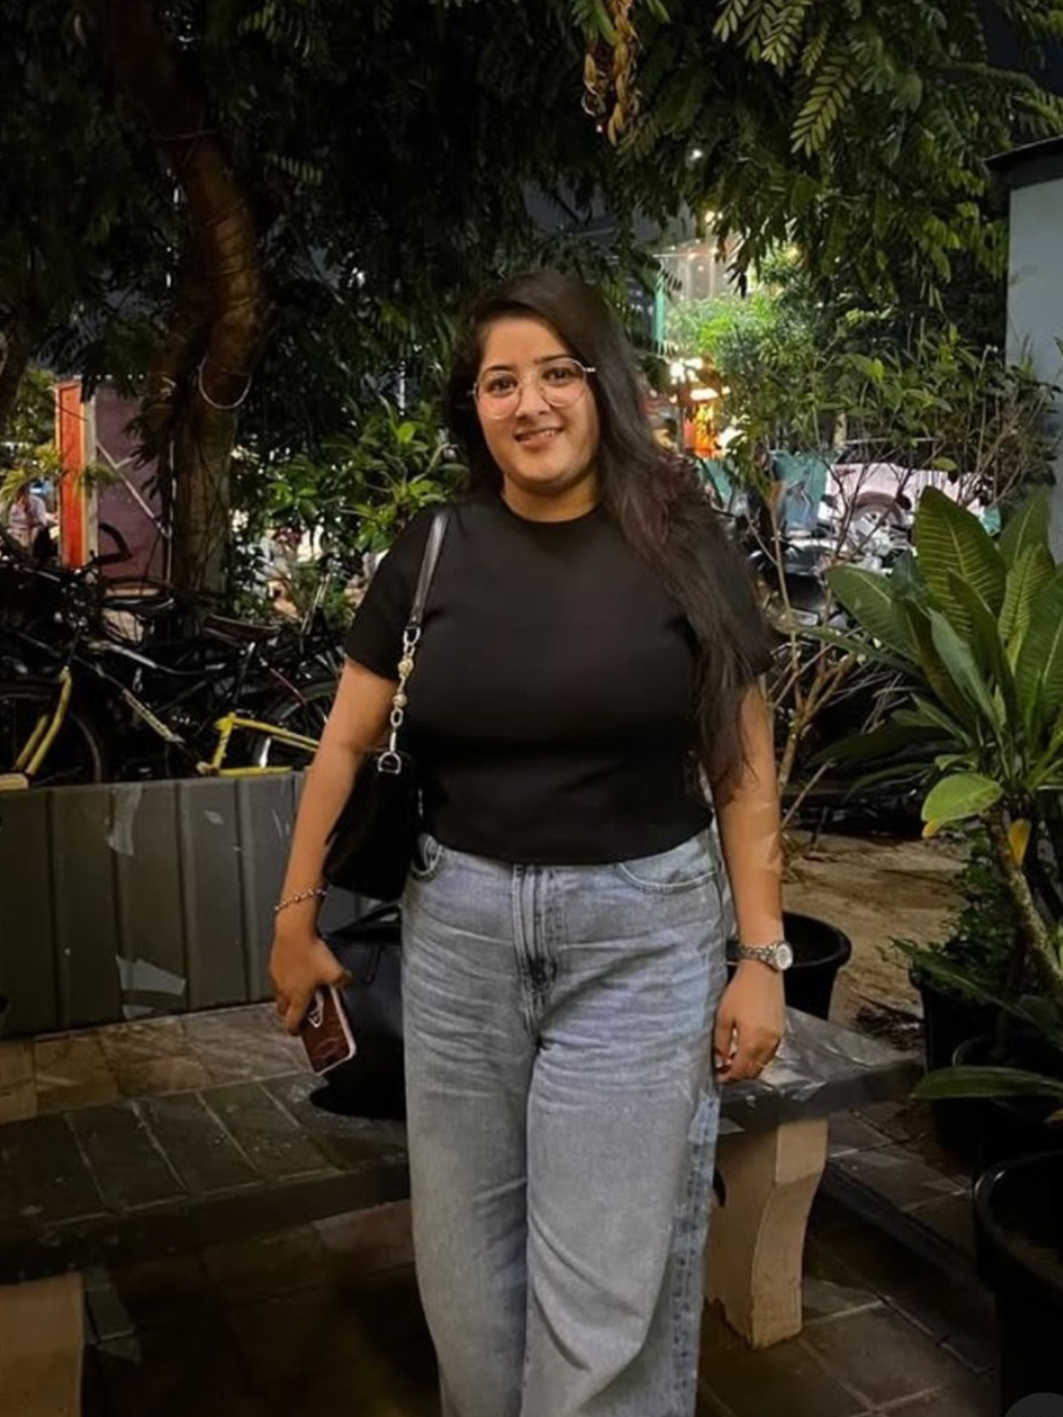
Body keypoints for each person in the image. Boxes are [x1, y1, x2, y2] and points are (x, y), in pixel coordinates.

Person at [269, 271, 787, 1417]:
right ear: (475, 407)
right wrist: (296, 916)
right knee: (465, 1284)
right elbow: (342, 746)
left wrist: (761, 955)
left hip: (640, 941)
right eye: (500, 382)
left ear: (603, 387)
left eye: (557, 372)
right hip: (458, 939)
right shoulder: (434, 549)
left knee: (601, 1300)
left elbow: (743, 769)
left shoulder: (685, 547)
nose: (530, 402)